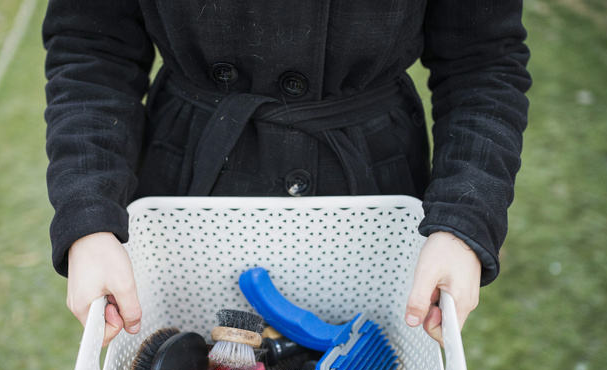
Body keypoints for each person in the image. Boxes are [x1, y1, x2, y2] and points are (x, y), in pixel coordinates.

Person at [42, 1, 531, 347]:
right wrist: (89, 216)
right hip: (190, 183)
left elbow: (483, 62)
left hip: (371, 192)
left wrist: (464, 220)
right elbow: (92, 50)